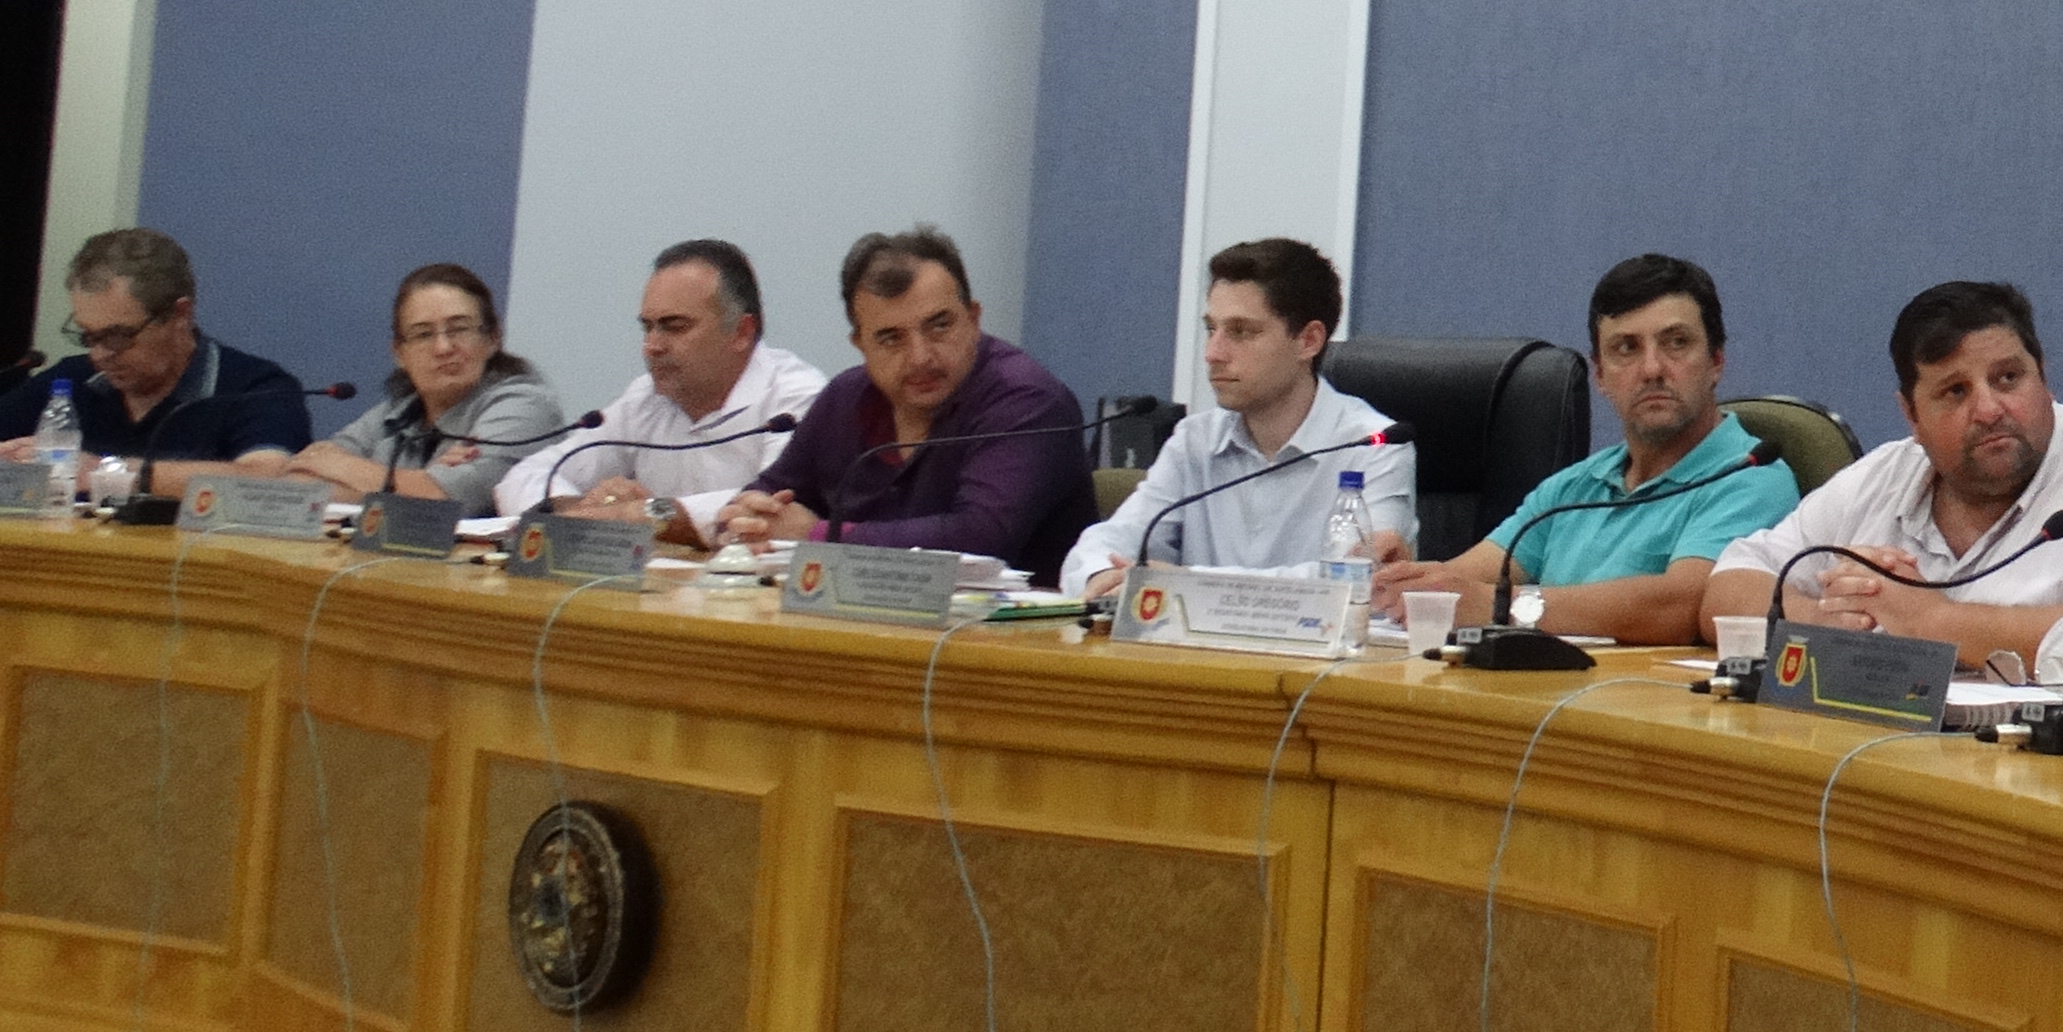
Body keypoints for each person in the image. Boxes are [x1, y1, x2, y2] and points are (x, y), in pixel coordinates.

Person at [1703, 281, 2063, 674]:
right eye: (1955, 392)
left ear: (2044, 378)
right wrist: (1829, 621)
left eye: (2008, 378)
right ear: (1911, 415)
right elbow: (1730, 585)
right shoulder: (1888, 473)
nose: (1990, 410)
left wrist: (1930, 621)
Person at [1385, 252, 1799, 644]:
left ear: (1716, 362)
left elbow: (1682, 606)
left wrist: (1505, 608)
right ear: (1600, 375)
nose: (1652, 369)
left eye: (1676, 343)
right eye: (1626, 348)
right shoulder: (1573, 487)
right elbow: (1464, 579)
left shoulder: (1752, 477)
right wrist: (1401, 583)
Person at [721, 227, 1091, 583]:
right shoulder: (845, 397)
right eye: (891, 338)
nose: (920, 357)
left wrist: (818, 534)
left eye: (939, 326)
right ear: (860, 344)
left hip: (1014, 622)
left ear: (973, 319)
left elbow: (980, 537)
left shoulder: (1027, 400)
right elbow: (769, 493)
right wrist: (749, 517)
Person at [1062, 236, 1411, 598]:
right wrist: (1101, 575)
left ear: (1308, 341)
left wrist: (1188, 584)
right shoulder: (1194, 439)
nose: (1213, 354)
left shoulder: (1375, 446)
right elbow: (1108, 542)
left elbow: (1363, 580)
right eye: (1211, 329)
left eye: (1241, 332)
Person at [498, 239, 826, 542]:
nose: (651, 346)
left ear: (742, 331)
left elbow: (769, 509)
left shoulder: (797, 398)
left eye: (674, 327)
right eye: (648, 327)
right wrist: (581, 507)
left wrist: (630, 514)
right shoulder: (645, 398)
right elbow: (525, 476)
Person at [0, 229, 314, 491]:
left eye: (118, 336)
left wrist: (106, 472)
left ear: (180, 315)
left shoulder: (256, 387)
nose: (99, 355)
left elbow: (268, 479)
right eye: (88, 335)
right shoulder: (72, 380)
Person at [276, 264, 572, 505]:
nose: (443, 347)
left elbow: (444, 501)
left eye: (459, 329)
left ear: (493, 338)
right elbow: (298, 482)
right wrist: (415, 485)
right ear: (399, 353)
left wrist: (341, 466)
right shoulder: (397, 410)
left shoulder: (525, 405)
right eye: (423, 334)